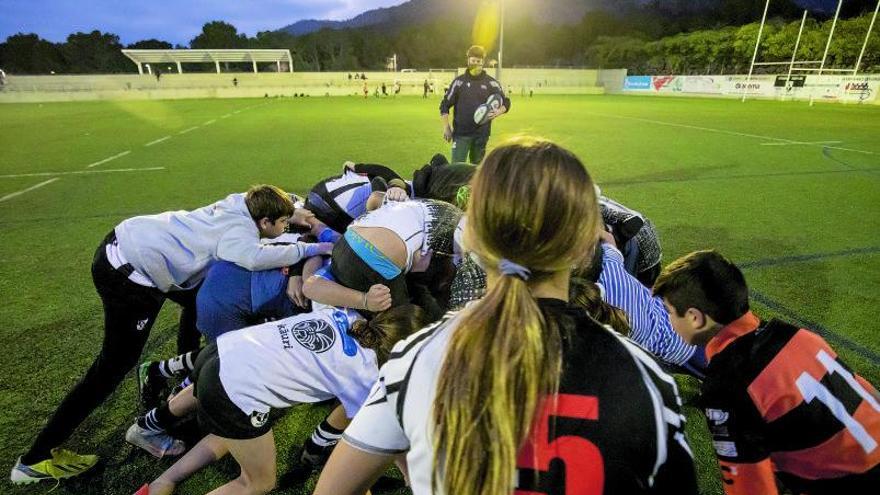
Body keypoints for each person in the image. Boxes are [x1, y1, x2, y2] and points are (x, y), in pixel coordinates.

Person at [314, 138, 697, 495]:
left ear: (475, 237)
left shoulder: (417, 359)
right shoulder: (648, 379)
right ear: (585, 245)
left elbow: (333, 489)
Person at [9, 185, 334, 485]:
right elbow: (253, 257)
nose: (286, 228)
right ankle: (36, 459)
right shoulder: (238, 234)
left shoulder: (243, 200)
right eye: (281, 224)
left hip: (130, 241)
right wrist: (313, 248)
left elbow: (284, 202)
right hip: (132, 276)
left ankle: (176, 381)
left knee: (199, 299)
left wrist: (294, 213)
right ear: (264, 222)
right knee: (111, 368)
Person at [131, 304, 429, 495]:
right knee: (258, 482)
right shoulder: (366, 377)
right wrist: (412, 477)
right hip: (233, 389)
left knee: (231, 432)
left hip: (221, 353)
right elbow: (377, 441)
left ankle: (161, 479)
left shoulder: (347, 315)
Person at [653, 250, 880, 495]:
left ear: (695, 318)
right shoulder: (795, 334)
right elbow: (867, 392)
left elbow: (752, 490)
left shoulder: (728, 384)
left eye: (669, 312)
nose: (669, 321)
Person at [440, 45, 511, 164]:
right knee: (456, 169)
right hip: (461, 134)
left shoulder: (491, 83)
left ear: (482, 62)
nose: (475, 64)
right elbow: (445, 104)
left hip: (481, 135)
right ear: (468, 60)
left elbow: (506, 102)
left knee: (477, 170)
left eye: (478, 61)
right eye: (473, 61)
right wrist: (446, 127)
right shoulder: (459, 82)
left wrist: (499, 111)